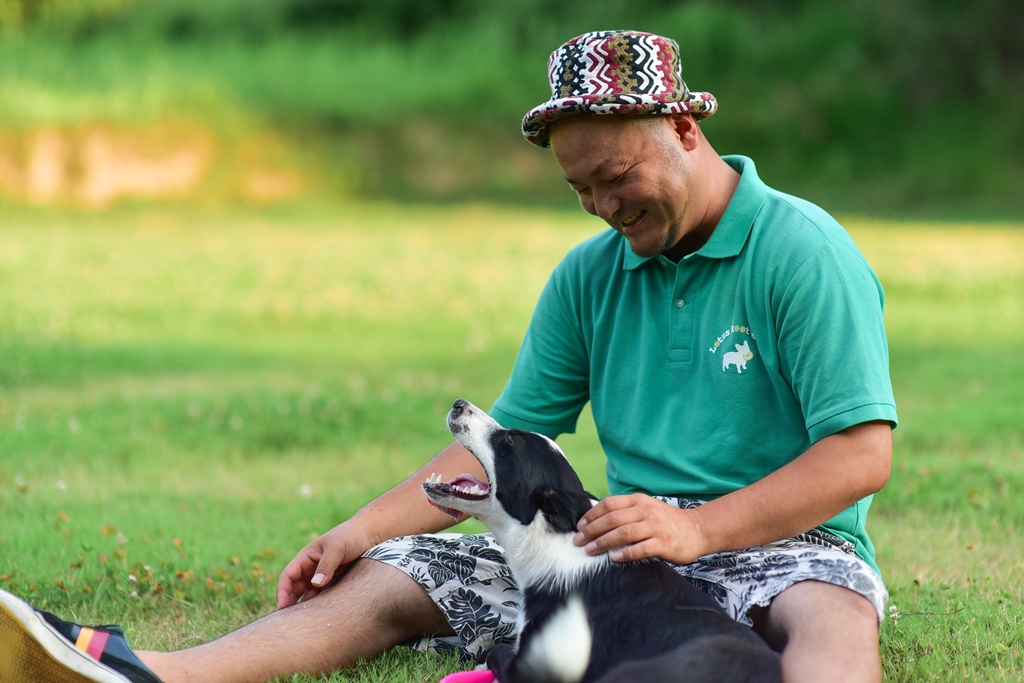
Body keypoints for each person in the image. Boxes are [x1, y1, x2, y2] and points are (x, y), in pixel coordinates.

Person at [0, 30, 897, 683]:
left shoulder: (800, 252)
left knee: (833, 611)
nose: (601, 205)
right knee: (399, 574)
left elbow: (862, 455)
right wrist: (360, 528)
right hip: (616, 553)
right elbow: (505, 440)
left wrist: (699, 528)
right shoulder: (590, 276)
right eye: (579, 187)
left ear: (683, 130)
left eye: (617, 176)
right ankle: (157, 671)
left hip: (783, 540)